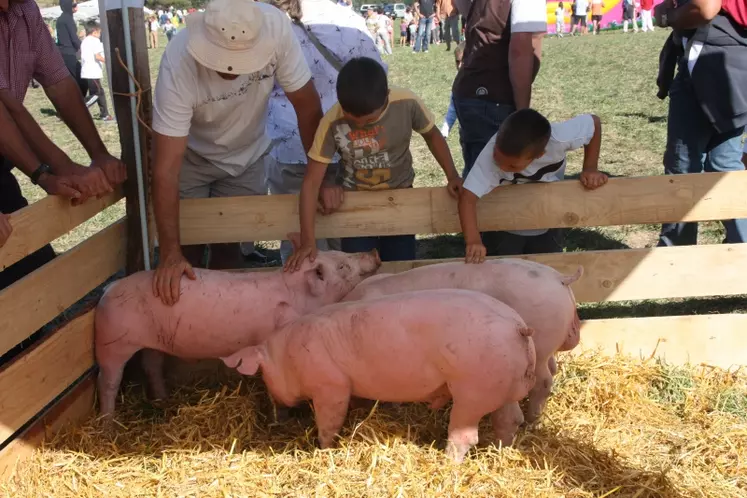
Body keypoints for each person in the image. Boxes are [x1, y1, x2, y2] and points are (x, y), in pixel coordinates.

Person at [150, 0, 322, 306]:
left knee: (230, 249)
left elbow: (308, 108)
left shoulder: (276, 29)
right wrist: (169, 253)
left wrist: (320, 176)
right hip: (190, 158)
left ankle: (221, 327)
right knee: (186, 250)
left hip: (248, 153)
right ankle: (185, 331)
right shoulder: (179, 60)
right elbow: (166, 168)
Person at [285, 57, 462, 268]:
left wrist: (452, 175)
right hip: (354, 202)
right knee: (358, 270)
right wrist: (308, 241)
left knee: (400, 265)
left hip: (401, 195)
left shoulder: (406, 102)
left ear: (386, 98)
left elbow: (432, 135)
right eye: (352, 119)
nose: (360, 125)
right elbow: (311, 183)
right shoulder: (332, 121)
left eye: (369, 121)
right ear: (340, 102)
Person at [0, 0, 127, 291]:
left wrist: (99, 155)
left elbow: (58, 82)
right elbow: (5, 112)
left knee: (35, 271)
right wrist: (49, 173)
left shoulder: (27, 11)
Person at [266, 0, 384, 264]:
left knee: (301, 244)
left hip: (290, 147)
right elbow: (377, 77)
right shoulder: (345, 19)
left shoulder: (267, 24)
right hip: (350, 142)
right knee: (348, 239)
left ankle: (307, 301)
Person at [452, 0, 546, 255]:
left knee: (478, 170)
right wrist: (522, 112)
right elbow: (521, 49)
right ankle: (496, 255)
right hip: (495, 95)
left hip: (470, 89)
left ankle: (477, 240)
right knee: (498, 178)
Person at [654, 0, 747, 246]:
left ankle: (676, 259)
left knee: (683, 170)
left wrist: (670, 16)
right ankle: (742, 253)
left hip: (709, 63)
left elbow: (706, 7)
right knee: (725, 164)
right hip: (736, 60)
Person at [459, 109, 607, 263]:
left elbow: (593, 123)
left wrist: (590, 168)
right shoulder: (489, 158)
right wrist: (473, 240)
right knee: (503, 266)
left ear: (539, 156)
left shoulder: (560, 138)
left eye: (512, 166)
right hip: (504, 219)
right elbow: (467, 198)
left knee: (547, 264)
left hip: (550, 215)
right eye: (497, 157)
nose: (501, 166)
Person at [80, 21, 113, 122]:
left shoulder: (85, 41)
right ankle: (80, 107)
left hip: (87, 71)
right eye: (99, 32)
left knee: (99, 93)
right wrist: (109, 62)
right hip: (92, 72)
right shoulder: (94, 41)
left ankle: (105, 115)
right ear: (94, 32)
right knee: (97, 93)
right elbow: (98, 56)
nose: (100, 35)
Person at [56, 0, 89, 101]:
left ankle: (75, 103)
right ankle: (79, 102)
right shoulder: (67, 19)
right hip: (68, 53)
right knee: (82, 80)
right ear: (67, 6)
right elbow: (74, 38)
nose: (76, 6)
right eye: (74, 4)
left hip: (63, 53)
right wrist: (85, 48)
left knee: (72, 80)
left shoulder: (61, 19)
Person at [440, 41, 464, 137]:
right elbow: (453, 107)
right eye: (457, 61)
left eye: (463, 61)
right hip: (465, 133)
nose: (459, 66)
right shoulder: (458, 81)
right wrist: (445, 130)